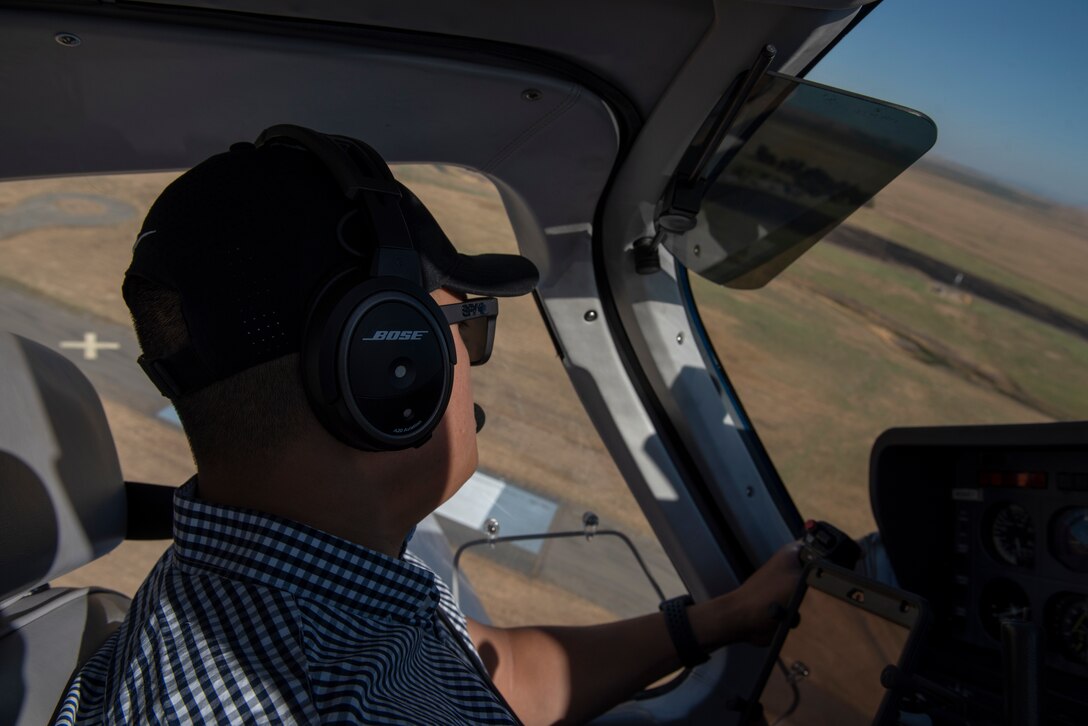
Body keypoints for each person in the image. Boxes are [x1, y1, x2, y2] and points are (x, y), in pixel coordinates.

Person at [56, 126, 801, 725]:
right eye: (465, 323)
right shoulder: (322, 693)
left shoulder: (269, 584)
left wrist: (719, 621)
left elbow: (480, 673)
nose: (470, 361)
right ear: (386, 365)